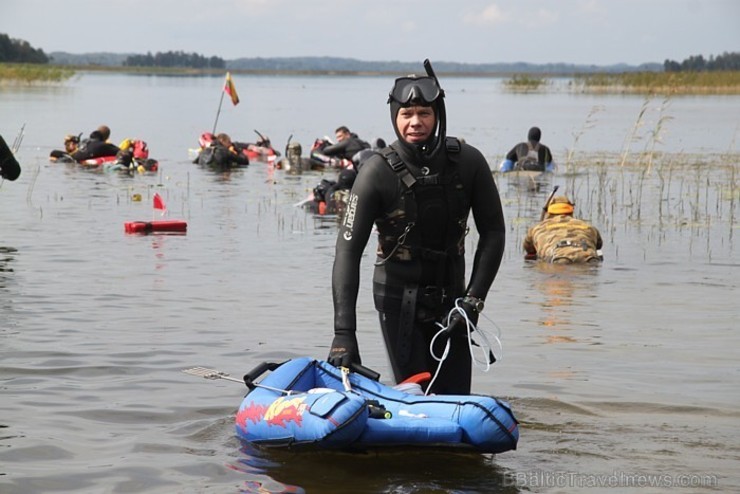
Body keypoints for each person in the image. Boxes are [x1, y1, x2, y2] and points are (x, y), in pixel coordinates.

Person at [327, 62, 506, 395]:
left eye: (424, 112)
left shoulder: (469, 163)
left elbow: (494, 233)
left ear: (437, 114)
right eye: (406, 114)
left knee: (455, 400)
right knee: (417, 400)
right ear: (394, 117)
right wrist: (343, 333)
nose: (415, 122)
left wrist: (473, 301)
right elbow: (347, 252)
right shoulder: (376, 172)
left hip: (455, 304)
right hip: (398, 303)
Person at [523, 196, 603, 263]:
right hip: (588, 257)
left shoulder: (537, 228)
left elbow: (529, 250)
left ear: (549, 213)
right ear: (571, 212)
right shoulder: (588, 227)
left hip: (558, 259)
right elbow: (598, 246)